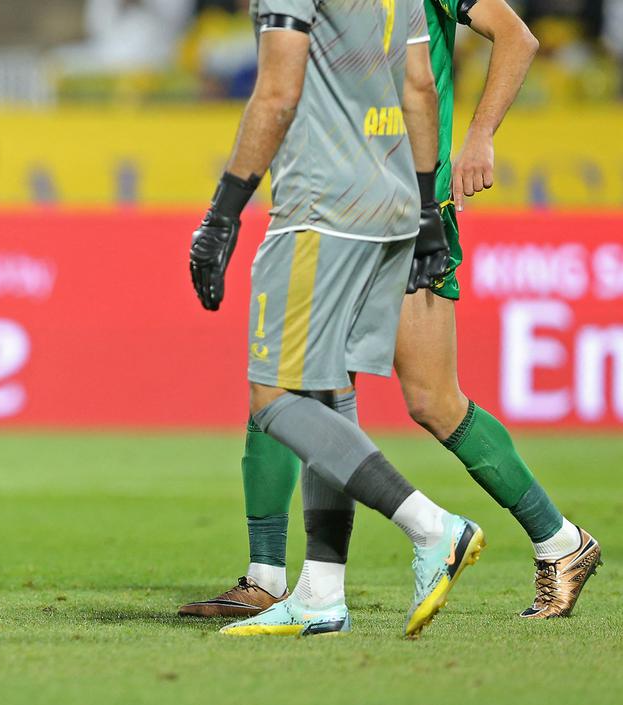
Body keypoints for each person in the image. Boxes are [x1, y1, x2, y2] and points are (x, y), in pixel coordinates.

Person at [181, 0, 601, 624]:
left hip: (385, 198)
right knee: (317, 384)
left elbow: (514, 38)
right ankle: (294, 583)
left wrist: (480, 134)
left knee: (408, 397)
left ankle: (549, 539)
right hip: (380, 193)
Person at [187, 0, 482, 638]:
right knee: (328, 390)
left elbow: (277, 93)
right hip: (395, 204)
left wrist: (224, 210)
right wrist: (429, 210)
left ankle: (433, 527)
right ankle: (322, 593)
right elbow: (419, 85)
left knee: (274, 396)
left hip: (320, 210)